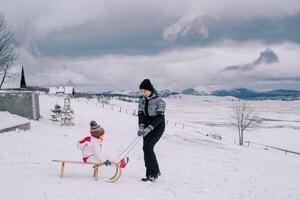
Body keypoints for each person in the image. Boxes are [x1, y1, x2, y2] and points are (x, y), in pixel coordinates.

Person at [137, 79, 166, 182]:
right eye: (141, 91)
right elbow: (141, 114)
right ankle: (150, 173)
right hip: (146, 125)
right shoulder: (141, 99)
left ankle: (154, 173)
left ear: (150, 90)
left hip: (157, 126)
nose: (143, 93)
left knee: (148, 147)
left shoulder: (159, 100)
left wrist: (149, 128)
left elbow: (159, 118)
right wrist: (141, 126)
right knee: (145, 148)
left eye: (145, 91)